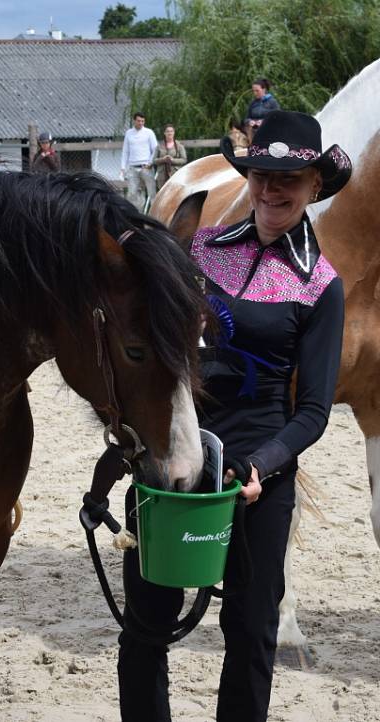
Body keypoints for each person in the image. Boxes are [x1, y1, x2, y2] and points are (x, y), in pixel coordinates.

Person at [117, 110, 351, 722]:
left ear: (314, 188)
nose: (272, 190)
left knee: (250, 631)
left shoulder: (321, 286)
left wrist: (262, 467)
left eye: (288, 180)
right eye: (262, 175)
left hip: (258, 469)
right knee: (145, 622)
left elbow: (315, 410)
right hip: (176, 447)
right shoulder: (199, 253)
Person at [120, 112, 157, 210]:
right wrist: (123, 167)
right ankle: (137, 215)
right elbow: (125, 151)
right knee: (131, 194)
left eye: (143, 121)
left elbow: (155, 149)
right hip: (132, 168)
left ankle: (155, 216)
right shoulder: (128, 133)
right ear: (134, 121)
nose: (141, 123)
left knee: (152, 193)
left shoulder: (149, 132)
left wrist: (150, 163)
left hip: (146, 167)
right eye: (139, 121)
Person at [151, 124, 187, 190]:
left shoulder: (179, 146)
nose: (169, 133)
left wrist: (172, 160)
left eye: (171, 131)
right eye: (167, 131)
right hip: (162, 175)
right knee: (163, 193)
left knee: (175, 192)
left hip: (175, 174)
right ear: (164, 133)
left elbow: (184, 160)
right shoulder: (159, 146)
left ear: (174, 132)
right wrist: (163, 159)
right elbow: (154, 160)